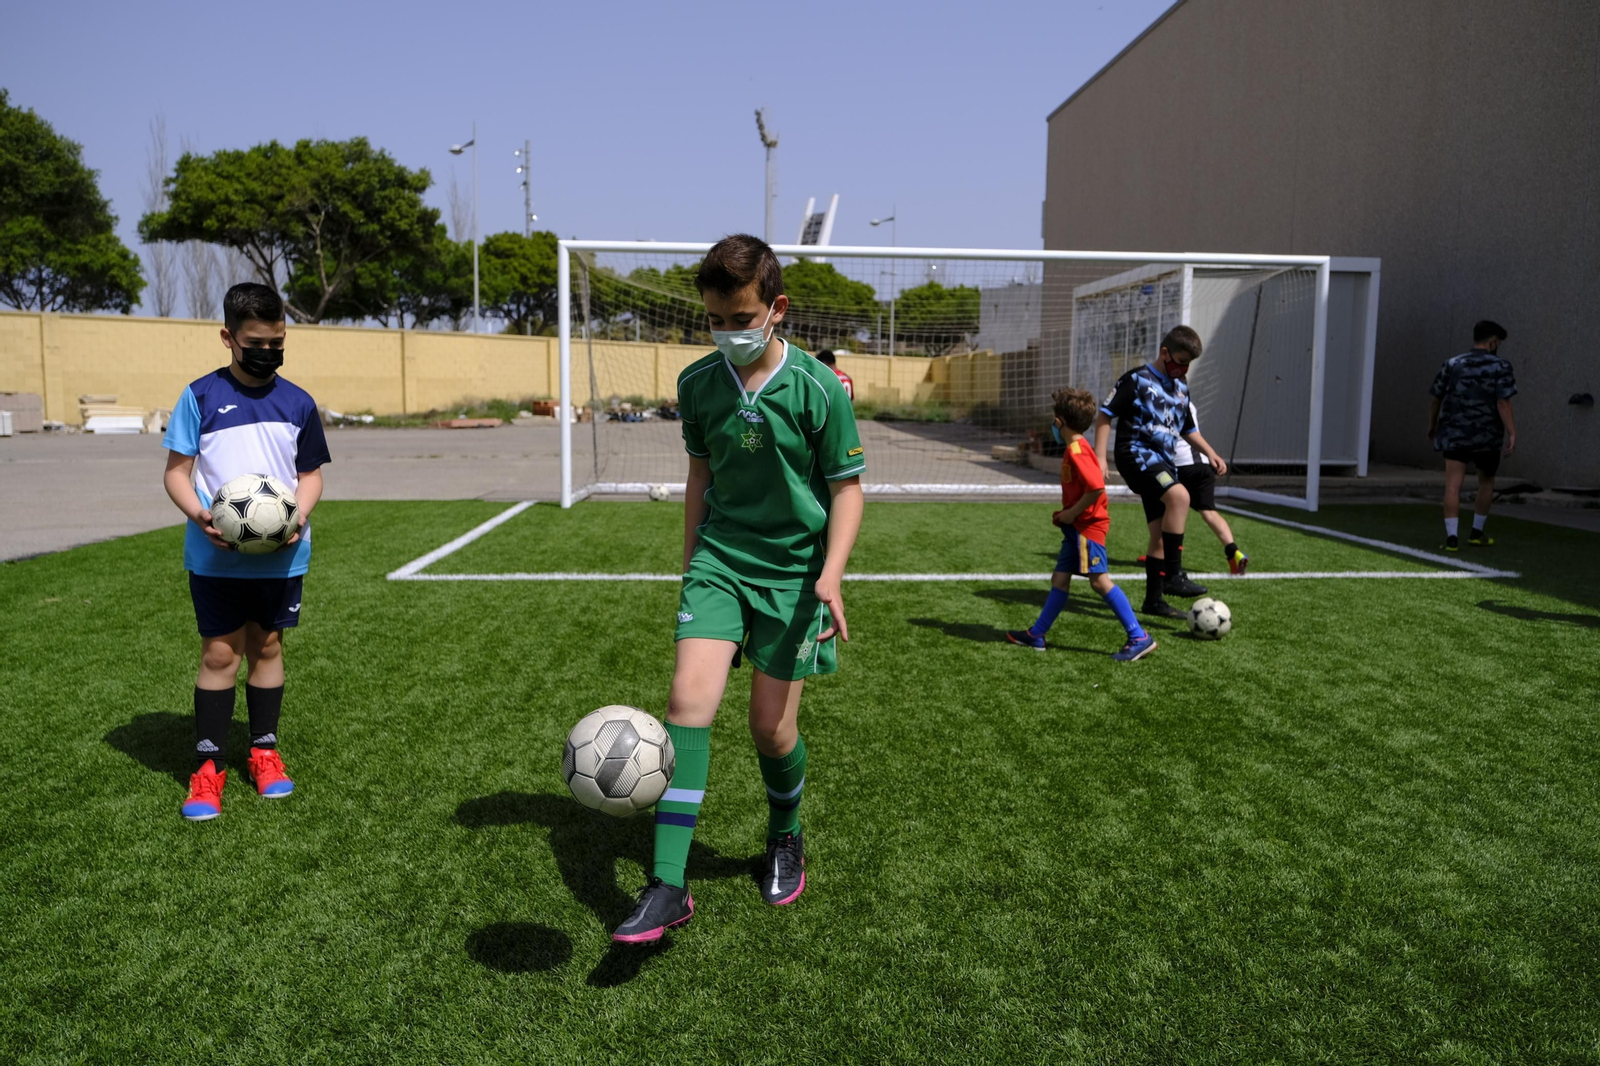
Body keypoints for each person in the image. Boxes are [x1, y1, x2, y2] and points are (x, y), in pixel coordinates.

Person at [612, 235, 865, 943]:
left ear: (776, 309)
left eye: (742, 319)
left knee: (769, 727)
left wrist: (830, 575)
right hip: (721, 561)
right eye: (715, 322)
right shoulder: (697, 385)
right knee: (686, 705)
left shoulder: (818, 387)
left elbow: (847, 491)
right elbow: (700, 477)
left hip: (793, 575)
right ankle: (667, 884)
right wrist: (693, 564)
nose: (728, 334)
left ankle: (785, 836)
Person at [160, 283, 330, 821]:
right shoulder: (199, 397)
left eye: (277, 341)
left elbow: (310, 477)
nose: (268, 351)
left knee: (269, 648)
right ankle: (208, 768)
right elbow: (176, 475)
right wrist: (200, 515)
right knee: (219, 655)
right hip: (216, 557)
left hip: (282, 555)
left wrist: (296, 516)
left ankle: (264, 752)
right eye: (256, 341)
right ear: (228, 338)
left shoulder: (299, 403)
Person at [1006, 388, 1156, 661]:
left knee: (1099, 582)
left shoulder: (1077, 450)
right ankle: (1036, 634)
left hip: (1087, 527)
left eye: (1054, 418)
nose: (1052, 423)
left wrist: (1071, 514)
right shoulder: (1076, 448)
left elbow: (1096, 487)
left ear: (1060, 422)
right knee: (1060, 579)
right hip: (1076, 529)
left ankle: (1139, 636)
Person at [1093, 326, 1229, 619]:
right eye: (1179, 361)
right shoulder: (1136, 379)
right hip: (1136, 454)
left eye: (1187, 365)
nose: (1182, 369)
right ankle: (1173, 575)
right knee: (1179, 497)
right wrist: (1100, 457)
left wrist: (1211, 453)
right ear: (1164, 353)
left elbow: (1188, 429)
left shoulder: (1181, 388)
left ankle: (1153, 601)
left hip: (1163, 463)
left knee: (1158, 534)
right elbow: (1105, 415)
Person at [1429, 320, 1517, 550]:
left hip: (1455, 433)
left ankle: (1451, 539)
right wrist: (1512, 432)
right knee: (1486, 482)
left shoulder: (1452, 364)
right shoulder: (1501, 366)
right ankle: (1476, 533)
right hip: (1487, 436)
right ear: (1493, 341)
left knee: (1452, 485)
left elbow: (1436, 398)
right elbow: (1503, 402)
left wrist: (1433, 424)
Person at [1168, 400, 1249, 575]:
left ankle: (1161, 554)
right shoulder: (1189, 403)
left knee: (1166, 508)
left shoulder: (1167, 401)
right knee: (1209, 511)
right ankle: (1233, 551)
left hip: (1181, 465)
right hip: (1204, 465)